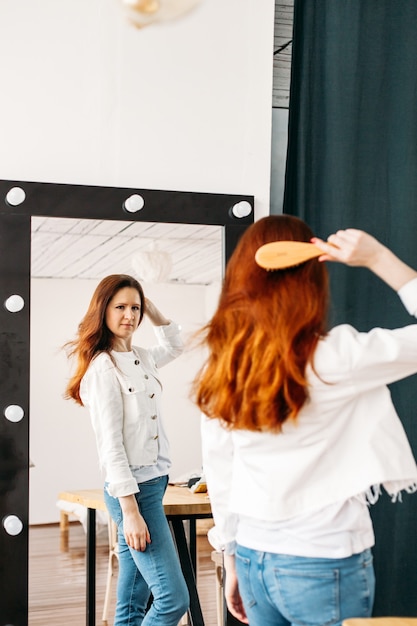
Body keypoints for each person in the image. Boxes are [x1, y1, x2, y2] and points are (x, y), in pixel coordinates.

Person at [192, 215, 417, 626]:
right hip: (322, 561)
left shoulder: (226, 366)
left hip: (252, 555)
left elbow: (220, 470)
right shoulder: (336, 358)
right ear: (311, 278)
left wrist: (231, 558)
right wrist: (378, 258)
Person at [65, 274, 189, 626]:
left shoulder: (142, 357)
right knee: (171, 599)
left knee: (131, 607)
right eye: (120, 307)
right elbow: (111, 446)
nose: (129, 315)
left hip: (157, 482)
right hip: (136, 493)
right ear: (103, 311)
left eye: (135, 308)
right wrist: (130, 511)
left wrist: (152, 308)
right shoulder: (103, 367)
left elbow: (176, 345)